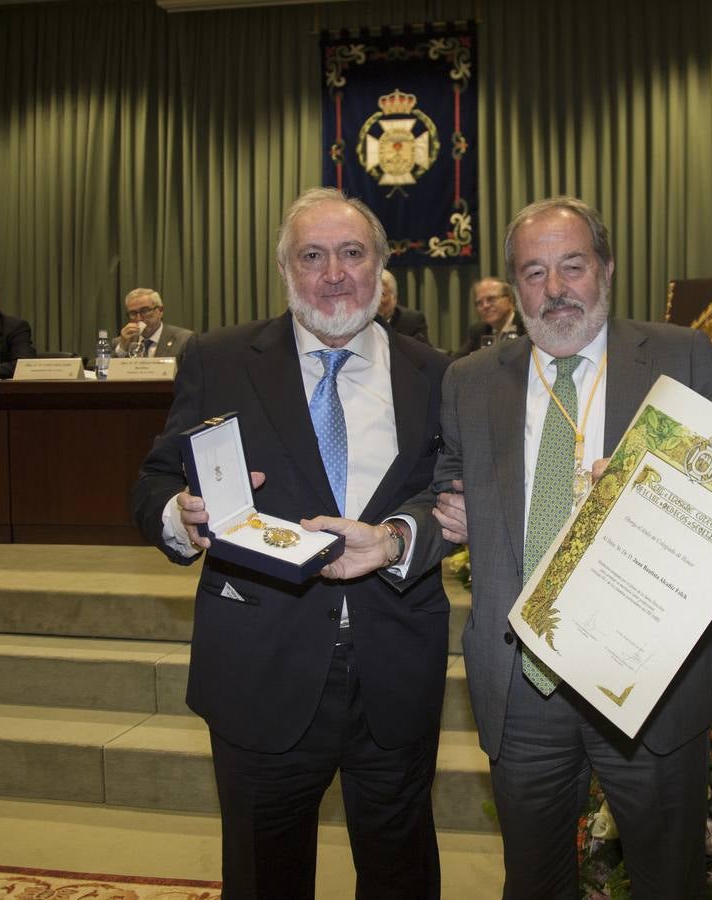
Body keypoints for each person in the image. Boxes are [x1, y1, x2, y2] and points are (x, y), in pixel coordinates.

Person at [315, 197, 712, 899]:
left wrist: (649, 497)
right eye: (534, 273)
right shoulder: (472, 380)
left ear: (605, 269)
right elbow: (445, 499)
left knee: (671, 881)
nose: (556, 290)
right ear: (514, 288)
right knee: (533, 884)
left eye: (573, 266)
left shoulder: (678, 355)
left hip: (646, 680)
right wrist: (392, 540)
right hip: (523, 681)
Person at [129, 188, 451, 899]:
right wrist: (180, 519)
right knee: (263, 878)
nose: (333, 274)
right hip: (258, 667)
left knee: (402, 874)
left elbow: (452, 499)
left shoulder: (437, 373)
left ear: (381, 266)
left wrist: (403, 535)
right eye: (312, 256)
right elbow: (154, 480)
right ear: (285, 271)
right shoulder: (219, 359)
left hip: (395, 666)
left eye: (351, 253)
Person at [452, 276, 524, 357]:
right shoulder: (478, 331)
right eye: (479, 303)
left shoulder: (526, 328)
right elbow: (455, 361)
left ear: (510, 300)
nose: (485, 306)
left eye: (491, 299)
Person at [114, 288, 193, 359]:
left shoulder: (184, 339)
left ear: (160, 311)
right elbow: (108, 373)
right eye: (133, 313)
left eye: (145, 311)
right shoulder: (120, 343)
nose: (139, 318)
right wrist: (122, 349)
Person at [378, 270, 431, 344]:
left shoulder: (412, 322)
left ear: (394, 298)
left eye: (381, 294)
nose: (374, 301)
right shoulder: (358, 321)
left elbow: (423, 354)